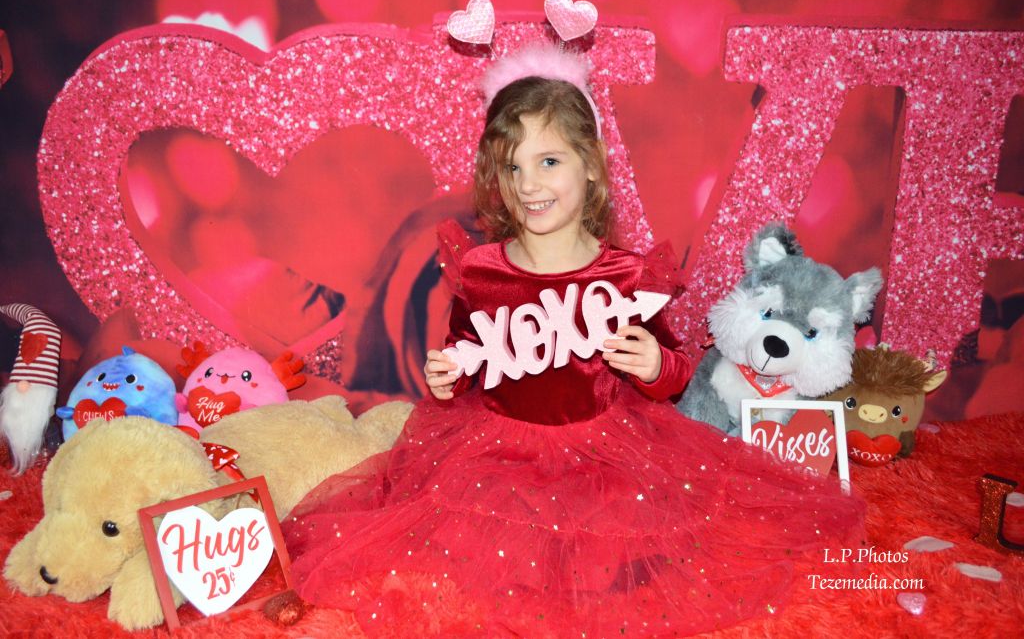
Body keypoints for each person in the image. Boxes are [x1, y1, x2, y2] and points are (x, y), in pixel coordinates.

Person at [283, 45, 864, 637]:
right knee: (484, 560)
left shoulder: (626, 276)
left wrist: (653, 365)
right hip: (500, 456)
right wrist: (448, 373)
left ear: (591, 164)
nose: (529, 184)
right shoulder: (481, 271)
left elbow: (675, 372)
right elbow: (467, 352)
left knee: (619, 559)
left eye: (549, 161)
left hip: (605, 454)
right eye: (511, 167)